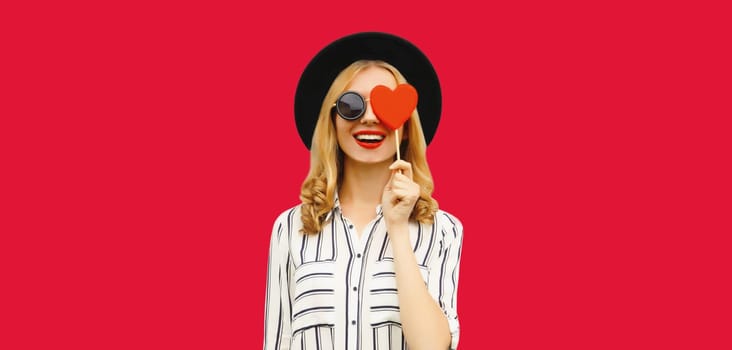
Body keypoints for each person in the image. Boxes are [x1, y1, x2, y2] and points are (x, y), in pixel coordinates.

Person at [264, 32, 463, 350]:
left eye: (384, 106)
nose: (370, 117)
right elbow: (277, 341)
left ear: (407, 126)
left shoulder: (443, 231)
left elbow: (433, 347)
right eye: (352, 105)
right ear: (332, 119)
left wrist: (397, 228)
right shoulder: (290, 228)